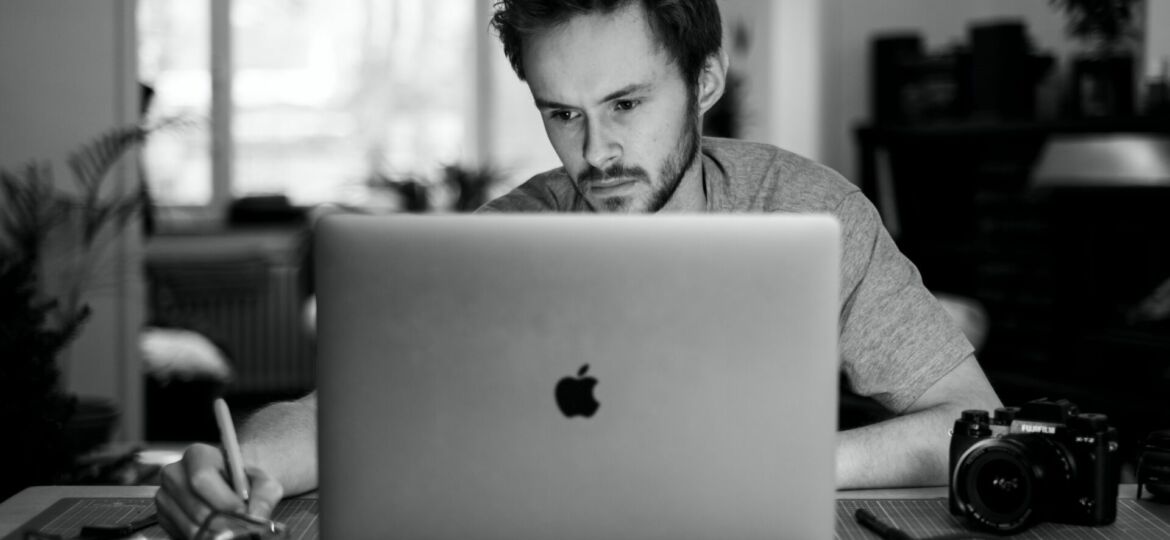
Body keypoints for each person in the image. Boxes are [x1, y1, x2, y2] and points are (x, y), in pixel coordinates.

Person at [155, 0, 1002, 536]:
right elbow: (347, 414)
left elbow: (968, 421)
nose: (595, 152)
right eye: (562, 114)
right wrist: (236, 468)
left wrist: (787, 468)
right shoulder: (508, 236)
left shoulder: (813, 210)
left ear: (704, 80)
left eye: (626, 105)